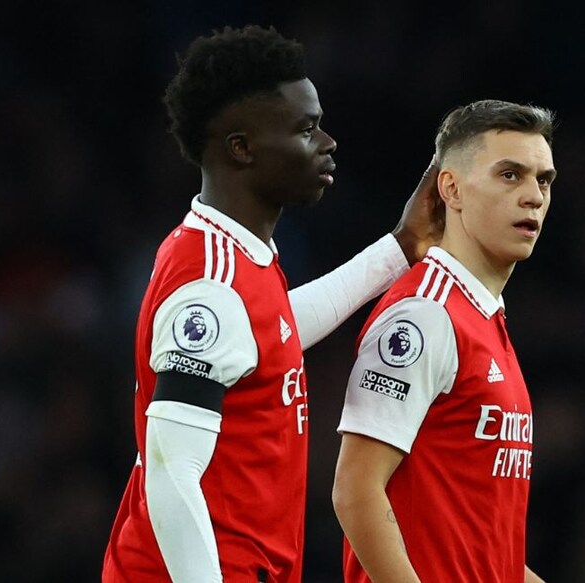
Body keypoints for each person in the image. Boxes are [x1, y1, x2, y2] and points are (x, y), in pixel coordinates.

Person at [101, 25, 441, 582]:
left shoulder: (239, 261)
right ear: (242, 148)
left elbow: (272, 334)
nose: (328, 142)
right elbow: (170, 472)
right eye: (306, 129)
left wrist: (401, 248)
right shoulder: (210, 285)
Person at [332, 99, 556, 583]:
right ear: (450, 188)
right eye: (510, 175)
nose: (534, 196)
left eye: (544, 180)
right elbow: (355, 490)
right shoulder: (424, 315)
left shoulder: (482, 318)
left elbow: (482, 547)